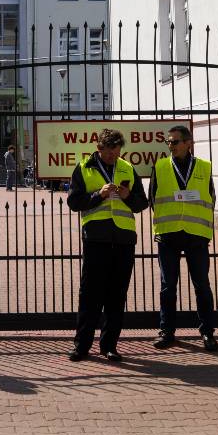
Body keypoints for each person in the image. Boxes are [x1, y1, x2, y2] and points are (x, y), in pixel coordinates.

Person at [66, 128, 148, 362]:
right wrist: (98, 195)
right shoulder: (83, 168)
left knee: (117, 294)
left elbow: (141, 203)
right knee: (90, 295)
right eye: (109, 152)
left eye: (117, 151)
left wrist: (127, 196)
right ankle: (81, 346)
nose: (114, 156)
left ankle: (109, 346)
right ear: (99, 149)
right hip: (96, 238)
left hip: (123, 239)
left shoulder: (128, 168)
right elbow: (73, 201)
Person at [148, 124, 218, 351]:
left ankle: (207, 332)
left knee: (202, 286)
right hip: (168, 235)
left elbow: (211, 197)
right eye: (168, 142)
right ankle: (166, 331)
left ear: (189, 143)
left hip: (196, 235)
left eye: (175, 142)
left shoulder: (204, 166)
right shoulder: (160, 166)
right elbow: (152, 199)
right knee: (168, 286)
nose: (171, 146)